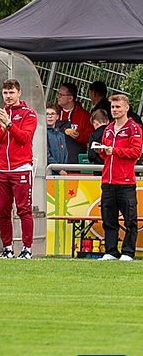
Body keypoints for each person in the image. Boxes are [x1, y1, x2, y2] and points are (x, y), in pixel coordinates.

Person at [0, 79, 38, 260]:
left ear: (19, 93)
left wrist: (9, 124)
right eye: (5, 93)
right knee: (2, 210)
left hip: (21, 168)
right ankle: (7, 248)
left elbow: (25, 138)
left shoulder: (29, 114)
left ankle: (27, 248)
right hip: (1, 169)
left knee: (24, 210)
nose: (8, 96)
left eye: (12, 92)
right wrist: (2, 128)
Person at [97, 94, 142, 261]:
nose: (115, 110)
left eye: (118, 107)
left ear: (127, 108)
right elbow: (106, 155)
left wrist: (114, 151)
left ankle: (128, 252)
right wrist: (101, 150)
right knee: (108, 219)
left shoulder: (134, 128)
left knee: (130, 219)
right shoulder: (108, 129)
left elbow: (136, 152)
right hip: (107, 181)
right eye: (113, 107)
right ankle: (111, 251)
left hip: (125, 181)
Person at [56, 82, 91, 164]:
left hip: (74, 160)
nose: (58, 97)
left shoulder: (84, 116)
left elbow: (90, 136)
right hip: (55, 158)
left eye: (61, 95)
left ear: (70, 98)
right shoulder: (54, 112)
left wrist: (79, 136)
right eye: (58, 94)